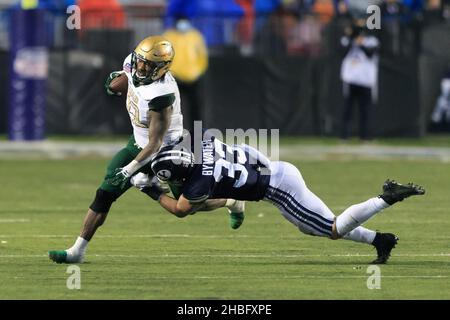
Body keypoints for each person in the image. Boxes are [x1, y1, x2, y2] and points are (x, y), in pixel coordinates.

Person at [48, 36, 243, 264]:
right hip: (136, 144)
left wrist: (128, 170)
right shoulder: (133, 63)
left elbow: (156, 143)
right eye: (140, 61)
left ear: (162, 68)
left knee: (182, 208)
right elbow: (126, 80)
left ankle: (231, 200)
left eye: (148, 65)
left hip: (169, 151)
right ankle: (77, 251)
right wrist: (114, 84)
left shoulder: (162, 94)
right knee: (104, 193)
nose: (141, 67)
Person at [134, 136, 425, 264]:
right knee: (310, 227)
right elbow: (246, 147)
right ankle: (380, 240)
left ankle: (386, 197)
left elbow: (182, 210)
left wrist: (150, 190)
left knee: (333, 229)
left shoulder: (199, 182)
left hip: (280, 190)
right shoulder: (205, 145)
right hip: (278, 171)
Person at [162, 17, 209, 133]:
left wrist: (198, 71)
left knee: (196, 107)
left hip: (193, 78)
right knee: (171, 108)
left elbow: (202, 56)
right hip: (174, 77)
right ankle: (171, 132)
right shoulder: (169, 36)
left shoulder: (195, 36)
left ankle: (197, 132)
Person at [340, 19, 380, 141]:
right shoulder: (347, 40)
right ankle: (344, 136)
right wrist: (353, 40)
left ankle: (365, 136)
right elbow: (342, 52)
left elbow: (370, 53)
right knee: (347, 110)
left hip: (366, 80)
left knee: (366, 110)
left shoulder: (372, 41)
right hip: (351, 79)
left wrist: (361, 43)